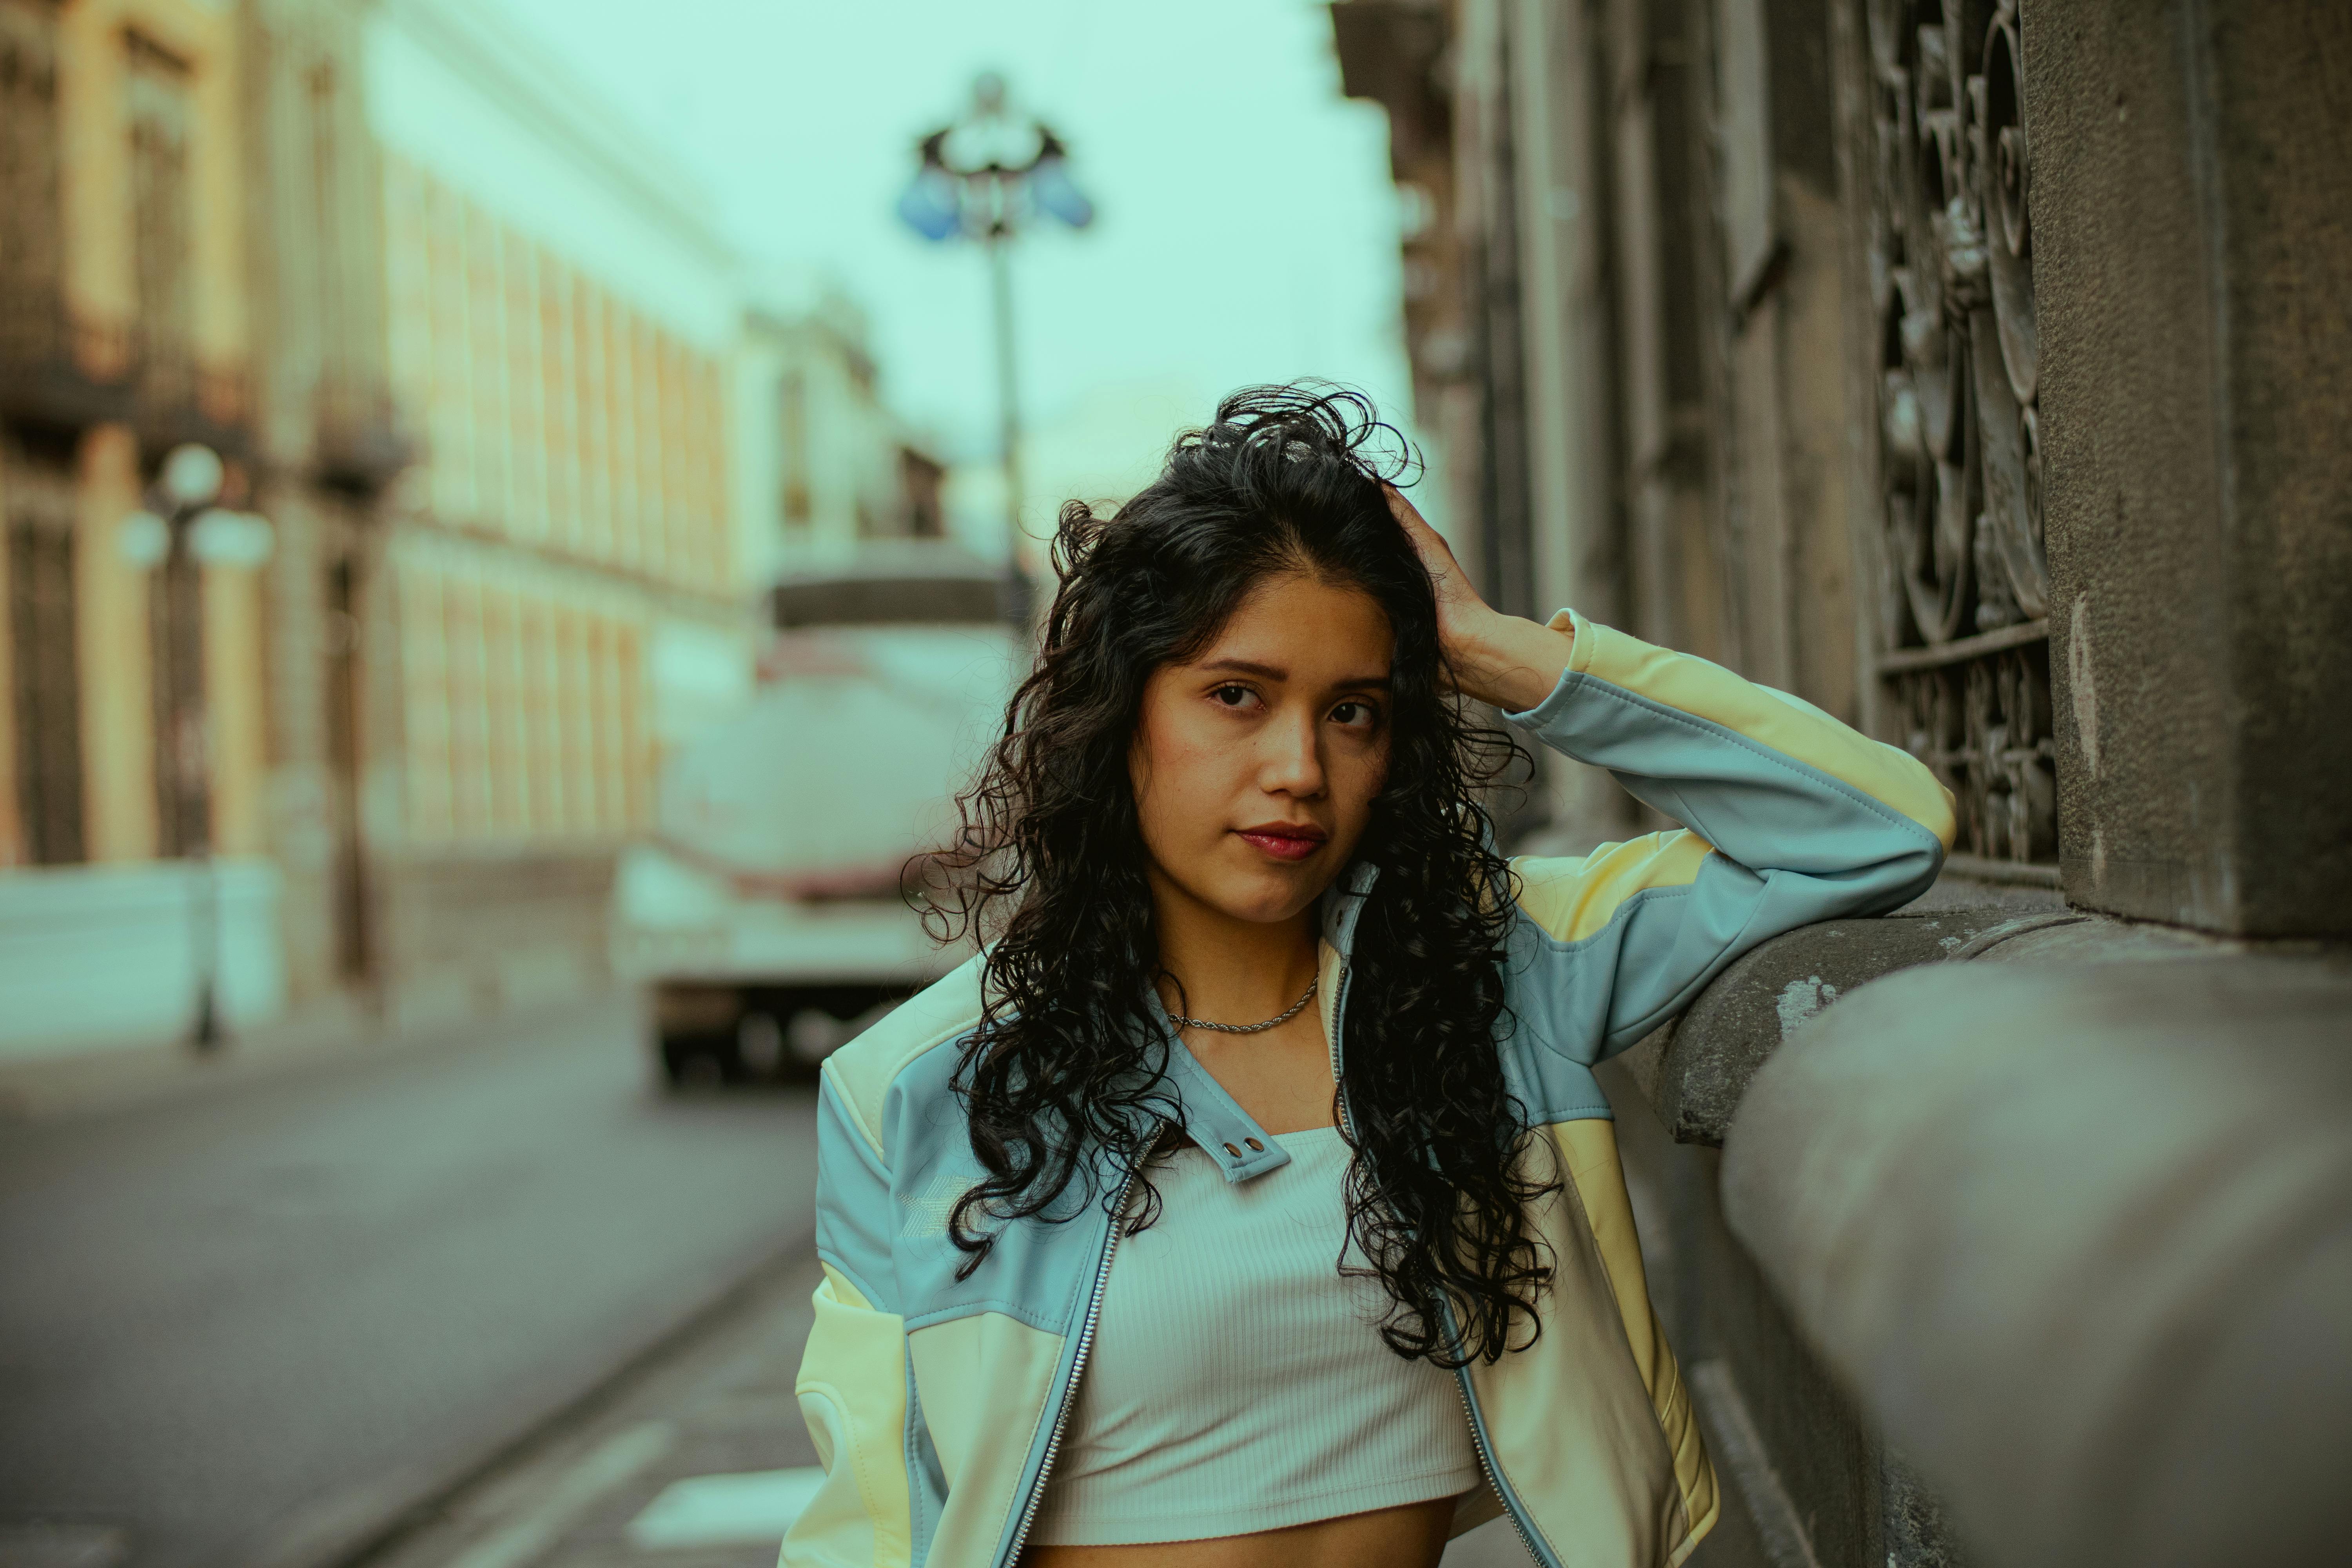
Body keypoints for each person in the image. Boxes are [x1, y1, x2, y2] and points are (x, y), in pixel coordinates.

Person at [780, 386, 1954, 1568]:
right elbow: (868, 1524)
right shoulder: (921, 1090)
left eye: (1353, 711)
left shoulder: (1495, 970)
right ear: (1121, 710)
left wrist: (1509, 654)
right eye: (1236, 695)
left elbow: (1876, 826)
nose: (1299, 768)